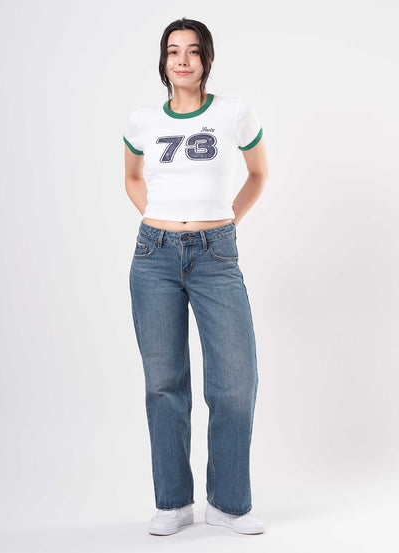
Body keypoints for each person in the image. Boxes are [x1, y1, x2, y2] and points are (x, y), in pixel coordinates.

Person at [123, 17, 269, 536]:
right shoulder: (142, 120)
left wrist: (225, 221)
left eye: (192, 50)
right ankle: (173, 503)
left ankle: (229, 503)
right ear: (163, 61)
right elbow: (132, 178)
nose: (182, 60)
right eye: (172, 51)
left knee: (235, 382)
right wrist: (160, 218)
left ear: (207, 58)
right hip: (153, 256)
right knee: (164, 384)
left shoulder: (233, 113)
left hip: (216, 255)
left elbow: (258, 173)